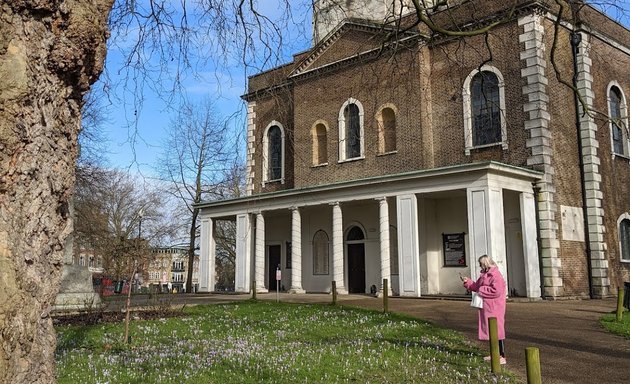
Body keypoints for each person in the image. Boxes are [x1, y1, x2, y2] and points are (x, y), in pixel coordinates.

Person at [462, 254, 507, 364]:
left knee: (497, 331)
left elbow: (496, 291)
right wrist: (467, 282)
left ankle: (501, 356)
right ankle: (494, 354)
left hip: (495, 307)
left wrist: (481, 289)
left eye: (480, 264)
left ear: (485, 264)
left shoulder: (496, 275)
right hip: (488, 307)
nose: (480, 266)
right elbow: (476, 286)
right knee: (491, 331)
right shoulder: (485, 275)